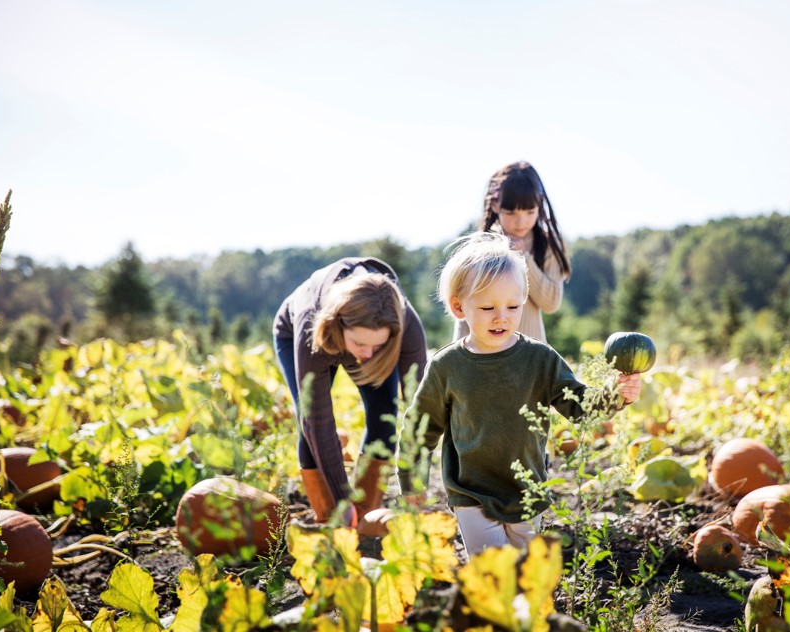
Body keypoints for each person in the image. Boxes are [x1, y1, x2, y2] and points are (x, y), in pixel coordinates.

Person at [398, 232, 640, 556]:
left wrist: (615, 394)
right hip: (471, 492)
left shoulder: (539, 359)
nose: (502, 316)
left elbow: (577, 402)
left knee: (527, 577)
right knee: (494, 575)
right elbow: (420, 426)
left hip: (528, 491)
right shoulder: (448, 366)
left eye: (513, 306)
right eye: (487, 307)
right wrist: (411, 476)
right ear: (459, 307)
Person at [273, 257, 427, 531]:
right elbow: (316, 420)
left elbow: (422, 407)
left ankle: (365, 513)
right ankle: (331, 518)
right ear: (340, 325)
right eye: (360, 343)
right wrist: (341, 500)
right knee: (308, 428)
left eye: (377, 346)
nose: (367, 355)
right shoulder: (312, 323)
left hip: (364, 338)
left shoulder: (405, 326)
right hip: (302, 334)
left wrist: (414, 475)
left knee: (384, 416)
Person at [453, 161, 571, 343]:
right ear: (494, 205)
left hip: (530, 354)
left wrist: (523, 256)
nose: (520, 221)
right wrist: (457, 352)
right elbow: (465, 306)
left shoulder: (548, 244)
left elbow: (551, 303)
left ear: (539, 205)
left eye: (529, 212)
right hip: (482, 355)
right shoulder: (481, 245)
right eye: (511, 213)